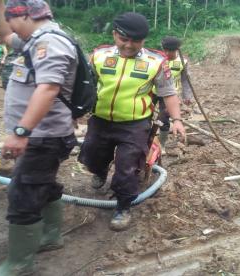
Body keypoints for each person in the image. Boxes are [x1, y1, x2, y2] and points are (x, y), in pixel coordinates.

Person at [0, 0, 78, 274]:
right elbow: (4, 34)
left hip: (42, 137)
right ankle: (51, 236)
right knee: (42, 184)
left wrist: (21, 133)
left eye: (12, 19)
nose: (9, 28)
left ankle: (17, 264)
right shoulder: (33, 40)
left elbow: (48, 88)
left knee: (22, 192)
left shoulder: (50, 42)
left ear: (23, 15)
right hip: (41, 135)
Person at [79, 12, 186, 232]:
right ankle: (99, 170)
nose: (129, 45)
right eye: (123, 39)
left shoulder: (156, 62)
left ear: (144, 40)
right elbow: (86, 85)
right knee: (92, 154)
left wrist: (177, 120)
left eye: (135, 41)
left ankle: (123, 206)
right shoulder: (98, 55)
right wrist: (77, 110)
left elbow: (169, 93)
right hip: (100, 120)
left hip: (135, 124)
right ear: (114, 35)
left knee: (127, 167)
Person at [157, 36, 193, 154]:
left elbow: (185, 80)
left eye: (171, 51)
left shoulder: (183, 62)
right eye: (165, 50)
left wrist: (187, 96)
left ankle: (161, 144)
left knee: (163, 119)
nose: (167, 53)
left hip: (170, 94)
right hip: (153, 91)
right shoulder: (157, 59)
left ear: (177, 49)